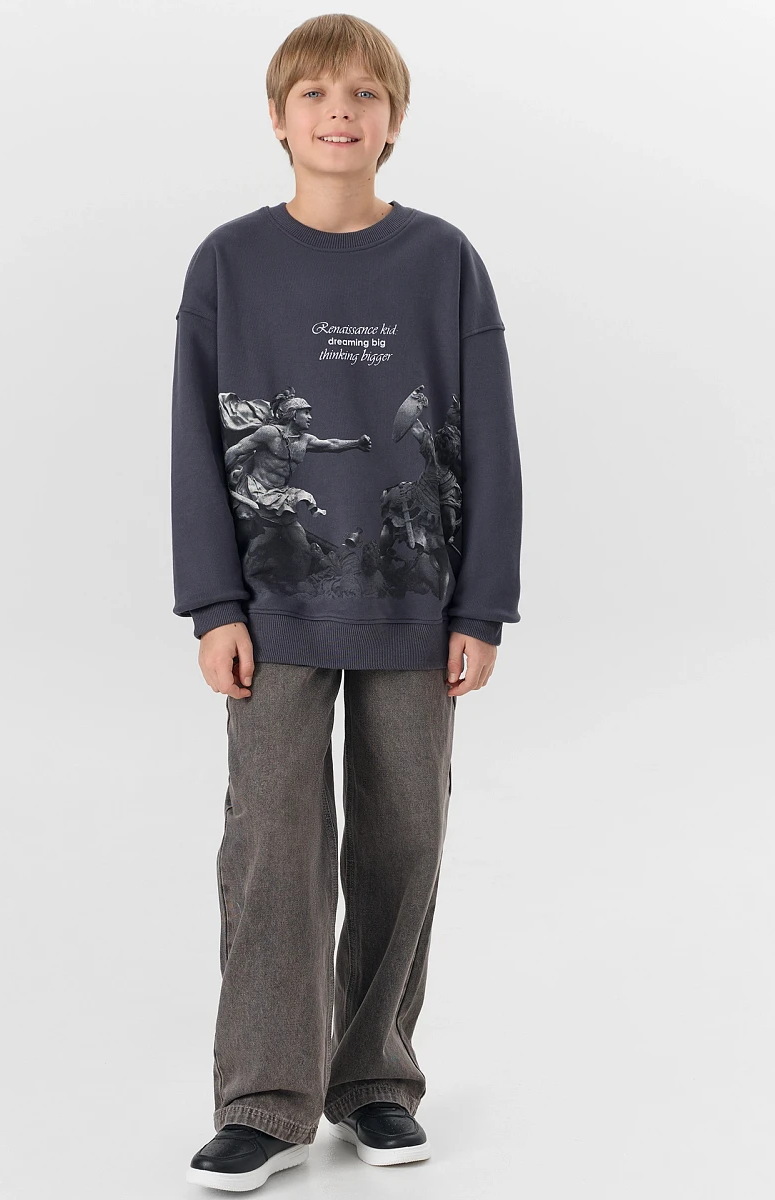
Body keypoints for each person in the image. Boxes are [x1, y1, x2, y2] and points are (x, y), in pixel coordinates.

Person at [171, 13, 522, 1192]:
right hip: (270, 610)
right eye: (316, 93)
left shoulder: (443, 259)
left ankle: (373, 1079)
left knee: (405, 834)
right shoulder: (229, 263)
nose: (340, 111)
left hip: (417, 605)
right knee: (273, 839)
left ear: (395, 121)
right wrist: (214, 603)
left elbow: (491, 438)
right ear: (278, 119)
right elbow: (192, 440)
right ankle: (263, 1099)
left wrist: (482, 608)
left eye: (364, 95)